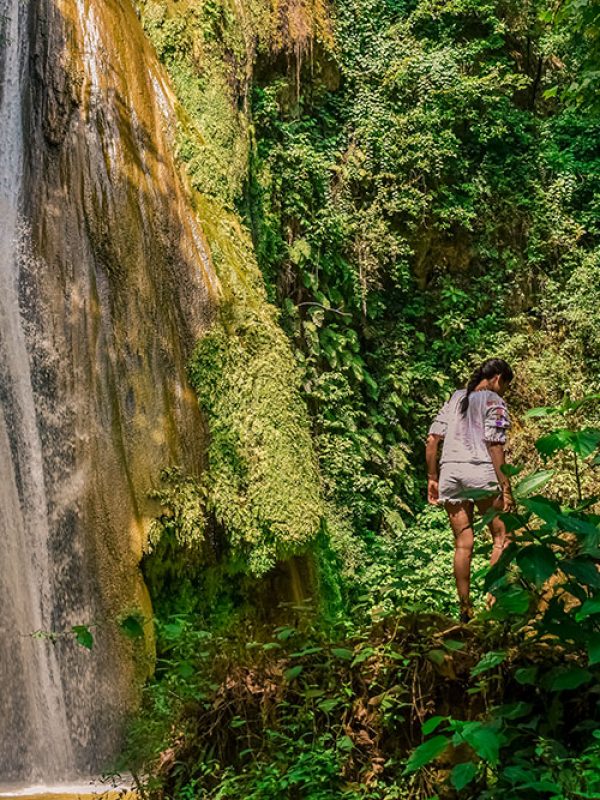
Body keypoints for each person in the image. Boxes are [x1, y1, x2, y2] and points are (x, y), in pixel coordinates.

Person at [425, 358, 515, 623]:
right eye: (506, 386)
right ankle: (493, 603)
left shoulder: (455, 398)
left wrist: (432, 477)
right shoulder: (494, 401)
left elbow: (432, 440)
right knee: (502, 537)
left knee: (463, 544)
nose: (505, 392)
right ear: (498, 379)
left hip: (451, 473)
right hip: (482, 472)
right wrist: (506, 487)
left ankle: (465, 610)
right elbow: (495, 444)